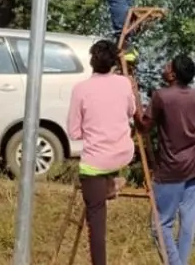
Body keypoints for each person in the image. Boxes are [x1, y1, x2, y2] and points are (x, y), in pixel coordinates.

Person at [66, 39, 137, 265]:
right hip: (123, 154)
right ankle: (112, 184)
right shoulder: (124, 84)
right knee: (106, 168)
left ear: (91, 62)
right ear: (115, 63)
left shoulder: (81, 89)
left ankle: (108, 186)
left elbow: (74, 132)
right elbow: (132, 111)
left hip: (96, 162)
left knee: (96, 221)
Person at [137, 55, 195, 265]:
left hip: (171, 170)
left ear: (172, 74)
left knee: (160, 226)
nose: (164, 66)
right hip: (192, 168)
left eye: (167, 65)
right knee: (188, 222)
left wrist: (135, 110)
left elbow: (144, 126)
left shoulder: (162, 96)